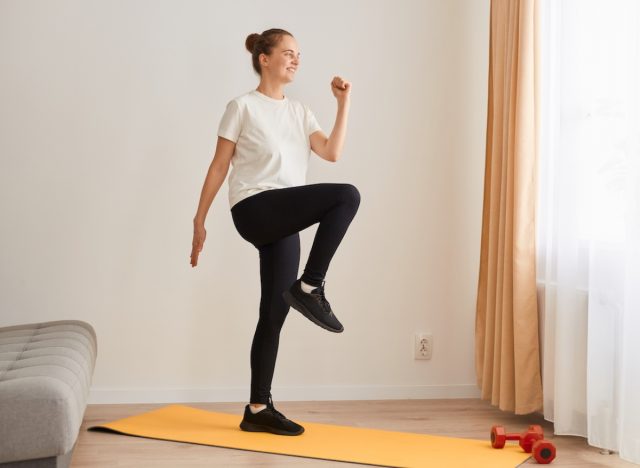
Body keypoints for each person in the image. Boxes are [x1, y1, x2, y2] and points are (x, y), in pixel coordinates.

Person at [190, 28, 360, 436]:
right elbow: (219, 166)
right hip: (254, 207)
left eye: (299, 54)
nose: (296, 60)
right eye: (288, 53)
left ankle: (257, 407)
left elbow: (332, 153)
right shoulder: (242, 107)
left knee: (273, 312)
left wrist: (343, 103)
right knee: (347, 196)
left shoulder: (300, 112)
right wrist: (200, 220)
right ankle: (311, 286)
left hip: (284, 215)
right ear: (264, 59)